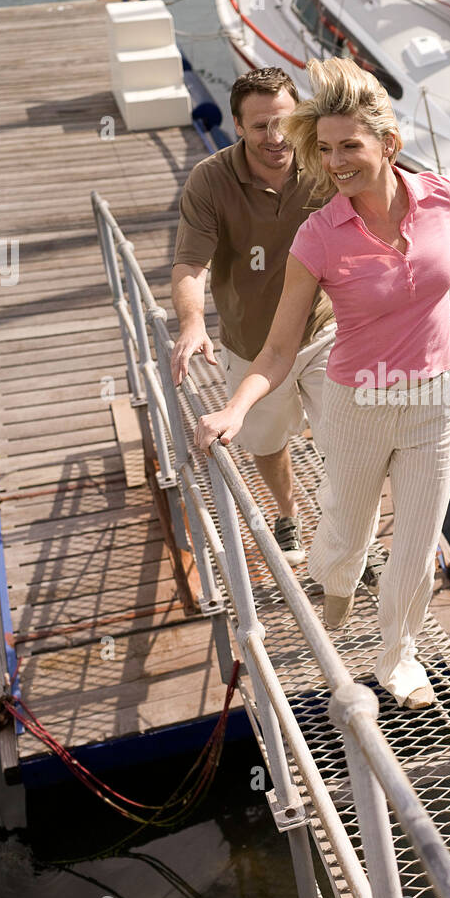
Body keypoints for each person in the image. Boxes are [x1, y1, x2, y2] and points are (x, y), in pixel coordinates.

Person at [193, 58, 450, 711]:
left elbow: (447, 243)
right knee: (348, 525)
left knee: (418, 541)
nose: (337, 161)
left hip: (436, 400)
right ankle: (336, 576)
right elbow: (282, 345)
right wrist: (236, 406)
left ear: (387, 145)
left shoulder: (438, 193)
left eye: (351, 146)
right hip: (357, 403)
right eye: (327, 149)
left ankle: (397, 659)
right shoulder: (319, 237)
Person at [170, 68, 336, 567]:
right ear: (238, 126)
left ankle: (349, 535)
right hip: (252, 343)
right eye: (261, 125)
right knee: (266, 441)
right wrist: (193, 322)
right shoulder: (210, 180)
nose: (276, 136)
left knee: (347, 439)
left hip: (323, 331)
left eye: (284, 122)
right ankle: (287, 516)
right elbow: (190, 264)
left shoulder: (324, 164)